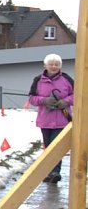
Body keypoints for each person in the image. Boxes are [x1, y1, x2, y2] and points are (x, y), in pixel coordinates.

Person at [28, 53, 73, 184]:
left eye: (57, 64)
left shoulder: (67, 79)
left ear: (60, 66)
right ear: (45, 66)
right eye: (51, 64)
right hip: (45, 120)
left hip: (62, 119)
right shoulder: (38, 80)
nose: (54, 67)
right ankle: (49, 172)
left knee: (55, 146)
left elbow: (78, 94)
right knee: (48, 147)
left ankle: (55, 172)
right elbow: (32, 98)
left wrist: (65, 101)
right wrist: (44, 100)